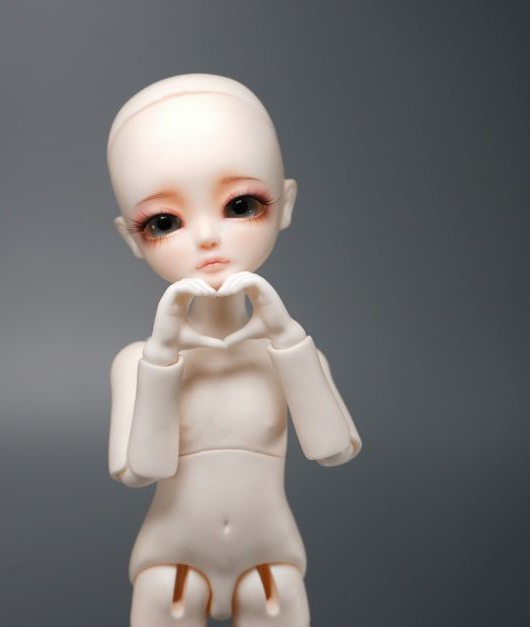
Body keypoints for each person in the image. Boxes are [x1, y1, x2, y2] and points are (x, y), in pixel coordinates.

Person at [107, 74, 361, 626]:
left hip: (271, 565)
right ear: (132, 238)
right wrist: (162, 357)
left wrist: (287, 338)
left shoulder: (292, 354)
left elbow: (335, 450)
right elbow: (140, 470)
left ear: (285, 204)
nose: (206, 238)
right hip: (170, 565)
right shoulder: (137, 362)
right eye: (165, 221)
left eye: (240, 205)